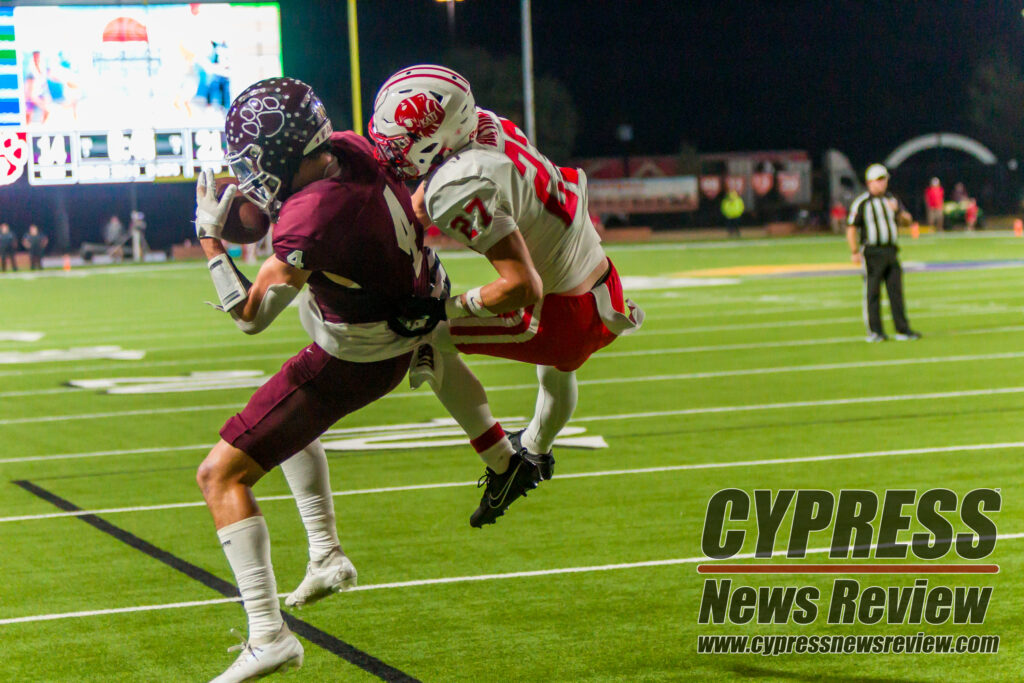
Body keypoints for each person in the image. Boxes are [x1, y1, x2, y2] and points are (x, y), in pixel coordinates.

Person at [194, 77, 445, 682]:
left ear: (281, 153)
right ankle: (327, 556)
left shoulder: (312, 214)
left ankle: (267, 634)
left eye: (255, 160)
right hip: (402, 314)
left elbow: (249, 317)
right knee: (288, 425)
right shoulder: (350, 149)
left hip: (360, 351)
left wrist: (209, 238)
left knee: (219, 474)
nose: (249, 172)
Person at [370, 65, 645, 527]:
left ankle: (505, 464)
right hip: (598, 277)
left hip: (555, 309)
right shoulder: (484, 124)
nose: (392, 153)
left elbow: (521, 286)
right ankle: (535, 451)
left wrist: (443, 311)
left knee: (419, 334)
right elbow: (421, 204)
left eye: (400, 143)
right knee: (556, 375)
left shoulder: (459, 184)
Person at [846, 164, 920, 342]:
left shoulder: (892, 199)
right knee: (872, 293)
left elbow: (907, 221)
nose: (882, 183)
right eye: (879, 180)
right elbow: (851, 228)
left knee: (896, 292)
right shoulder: (862, 202)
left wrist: (898, 212)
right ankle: (875, 331)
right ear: (870, 182)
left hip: (891, 250)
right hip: (872, 251)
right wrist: (854, 251)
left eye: (884, 179)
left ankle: (902, 329)